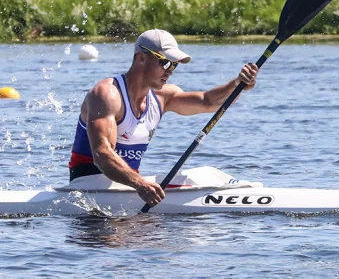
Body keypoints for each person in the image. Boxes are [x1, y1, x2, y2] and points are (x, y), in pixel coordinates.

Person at [68, 29, 259, 208]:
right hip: (89, 185)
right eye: (165, 62)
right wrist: (141, 184)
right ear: (141, 58)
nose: (170, 70)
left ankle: (249, 192)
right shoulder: (107, 95)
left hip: (129, 186)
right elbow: (102, 155)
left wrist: (237, 84)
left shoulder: (162, 97)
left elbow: (208, 102)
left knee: (208, 173)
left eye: (174, 64)